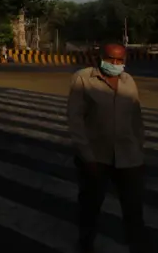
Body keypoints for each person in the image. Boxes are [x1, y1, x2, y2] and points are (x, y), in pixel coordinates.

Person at [66, 42, 146, 253]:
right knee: (90, 207)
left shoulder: (129, 81)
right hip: (96, 158)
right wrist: (87, 157)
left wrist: (139, 147)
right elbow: (75, 120)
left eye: (121, 60)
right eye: (111, 59)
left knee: (133, 208)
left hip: (129, 157)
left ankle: (136, 245)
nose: (116, 64)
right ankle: (85, 244)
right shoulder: (83, 78)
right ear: (100, 57)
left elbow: (136, 117)